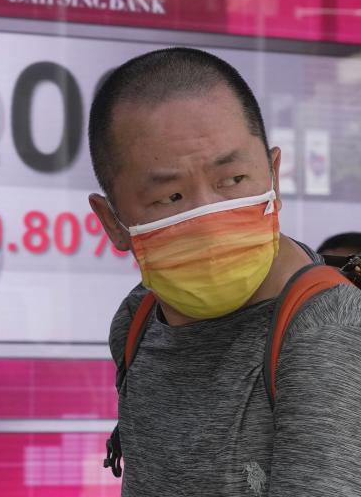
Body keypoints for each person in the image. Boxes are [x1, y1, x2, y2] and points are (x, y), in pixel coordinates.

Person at [87, 47, 361, 496]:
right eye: (169, 197)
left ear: (273, 175)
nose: (208, 215)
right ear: (113, 222)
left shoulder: (327, 333)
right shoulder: (138, 319)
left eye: (232, 180)